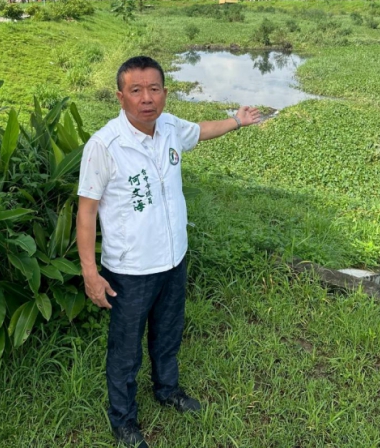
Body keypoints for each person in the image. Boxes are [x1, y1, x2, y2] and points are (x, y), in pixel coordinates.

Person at [77, 56, 261, 447]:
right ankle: (124, 421)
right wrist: (90, 273)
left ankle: (167, 389)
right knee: (125, 350)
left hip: (174, 258)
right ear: (120, 96)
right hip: (130, 269)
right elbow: (86, 211)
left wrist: (237, 120)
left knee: (168, 333)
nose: (147, 98)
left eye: (154, 89)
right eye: (136, 90)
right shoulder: (104, 145)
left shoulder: (171, 127)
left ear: (164, 92)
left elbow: (201, 130)